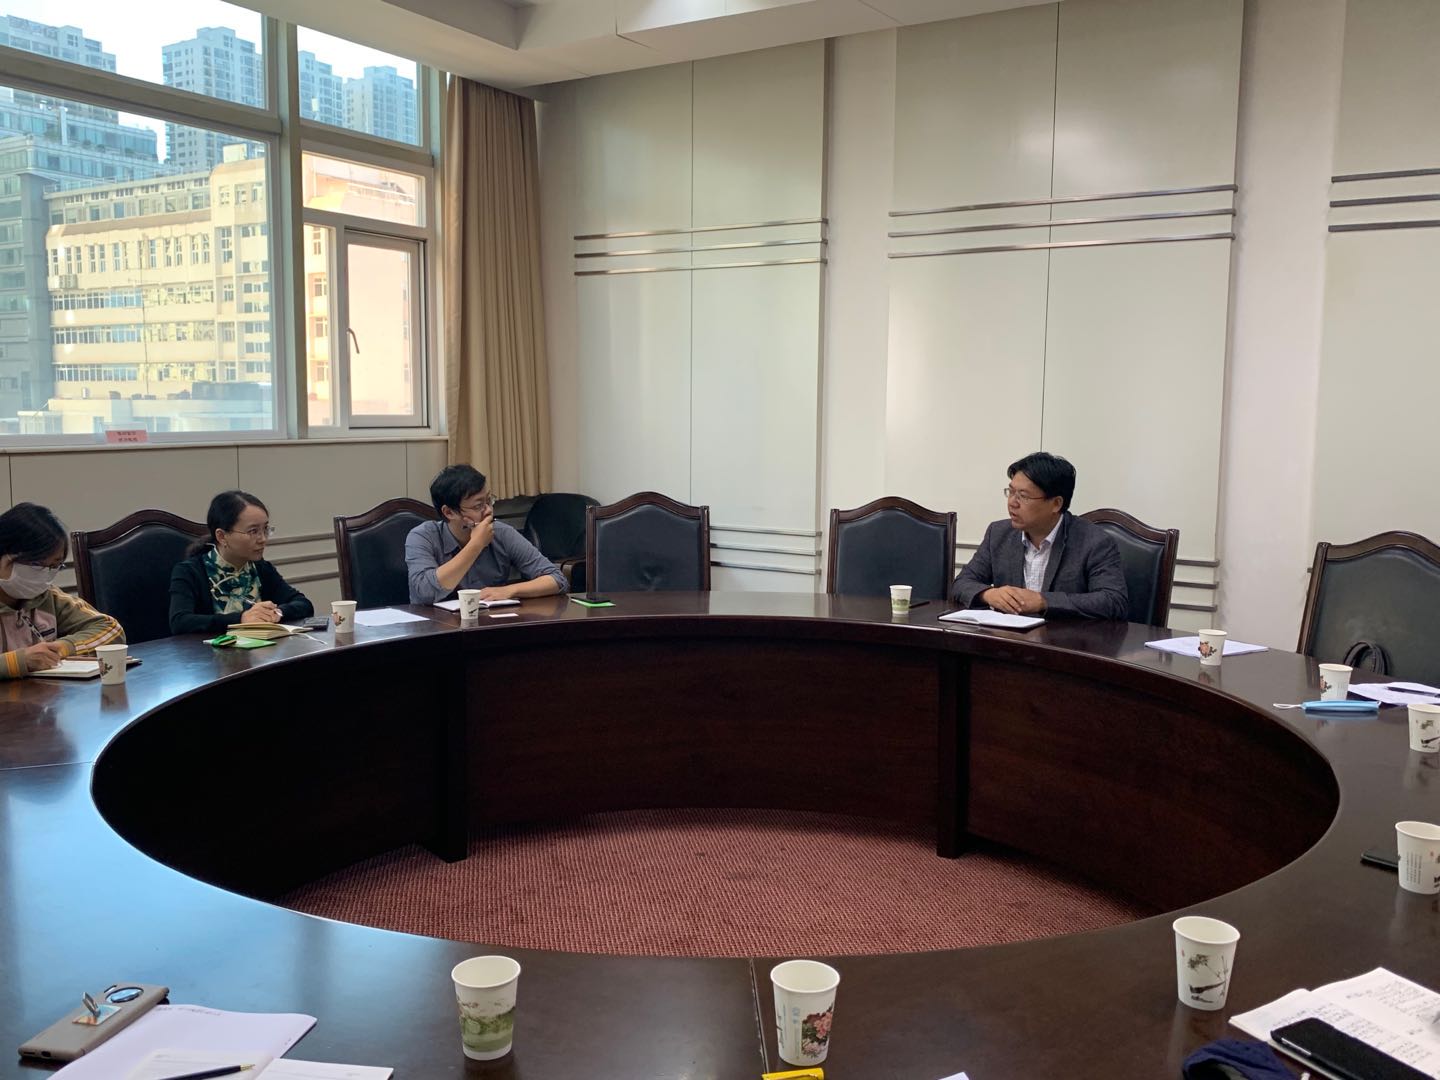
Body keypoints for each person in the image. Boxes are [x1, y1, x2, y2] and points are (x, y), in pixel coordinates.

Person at [951, 452, 1128, 620]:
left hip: (1063, 639)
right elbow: (962, 583)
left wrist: (1044, 601)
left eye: (1023, 496)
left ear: (1056, 504)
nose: (1012, 503)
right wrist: (989, 594)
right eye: (1011, 492)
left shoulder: (1094, 542)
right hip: (1007, 638)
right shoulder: (998, 533)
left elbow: (1113, 601)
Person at [406, 465, 567, 605]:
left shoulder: (501, 532)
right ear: (449, 512)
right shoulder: (422, 537)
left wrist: (509, 590)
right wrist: (476, 545)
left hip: (489, 623)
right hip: (436, 626)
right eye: (478, 506)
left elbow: (557, 579)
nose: (489, 510)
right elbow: (425, 592)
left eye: (489, 501)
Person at [0, 502, 124, 679]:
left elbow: (111, 629)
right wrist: (17, 662)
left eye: (54, 566)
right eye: (35, 564)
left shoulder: (48, 596)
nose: (44, 575)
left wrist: (64, 647)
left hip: (41, 694)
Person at [169, 491, 314, 635]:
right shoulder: (190, 571)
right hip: (209, 649)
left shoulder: (260, 567)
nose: (263, 539)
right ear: (222, 536)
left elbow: (303, 604)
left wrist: (277, 612)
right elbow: (180, 622)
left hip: (262, 648)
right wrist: (241, 618)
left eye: (265, 529)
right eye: (253, 531)